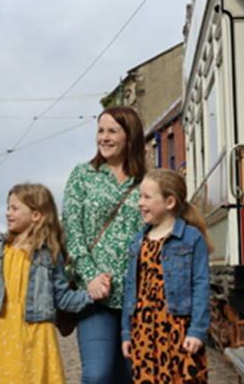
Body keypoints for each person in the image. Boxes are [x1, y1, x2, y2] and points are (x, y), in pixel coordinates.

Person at [0, 183, 102, 384]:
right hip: (4, 333)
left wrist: (91, 294)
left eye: (14, 208)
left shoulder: (49, 254)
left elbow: (62, 297)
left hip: (38, 336)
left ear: (36, 216)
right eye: (8, 208)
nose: (8, 213)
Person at [63, 106, 147, 384]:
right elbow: (73, 233)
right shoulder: (83, 176)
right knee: (97, 376)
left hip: (139, 298)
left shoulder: (147, 181)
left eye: (113, 131)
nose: (104, 137)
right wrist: (90, 278)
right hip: (96, 296)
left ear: (130, 136)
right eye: (101, 130)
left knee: (132, 377)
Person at [120, 169, 211, 384]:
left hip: (179, 329)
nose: (140, 203)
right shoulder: (138, 241)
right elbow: (131, 288)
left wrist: (197, 330)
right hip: (143, 331)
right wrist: (127, 332)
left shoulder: (191, 238)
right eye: (140, 196)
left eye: (147, 197)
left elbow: (201, 286)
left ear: (170, 202)